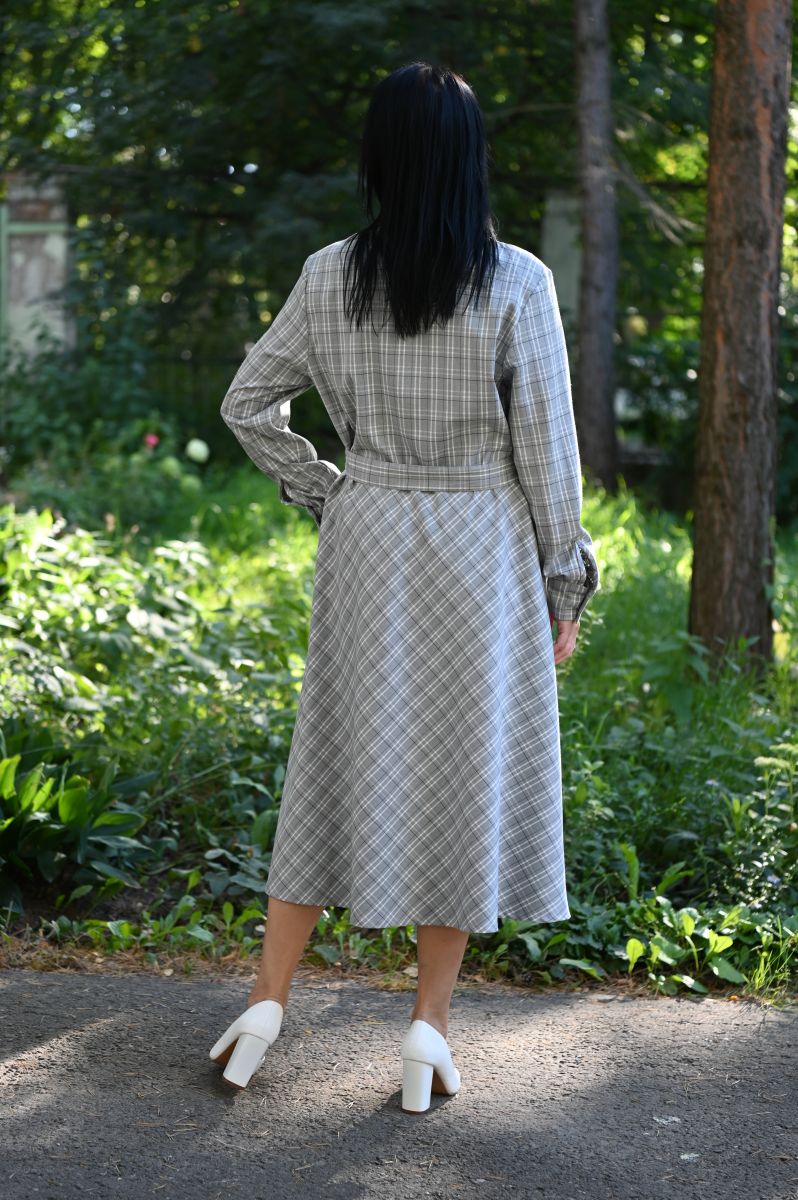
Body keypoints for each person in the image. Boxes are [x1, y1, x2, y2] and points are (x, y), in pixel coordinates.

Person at [209, 61, 600, 1112]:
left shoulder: (328, 274)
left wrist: (325, 488)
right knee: (464, 777)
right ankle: (427, 1028)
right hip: (483, 546)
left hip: (369, 533)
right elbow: (550, 459)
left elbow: (248, 404)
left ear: (379, 157)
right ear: (471, 160)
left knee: (332, 762)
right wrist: (564, 586)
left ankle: (265, 1003)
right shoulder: (517, 281)